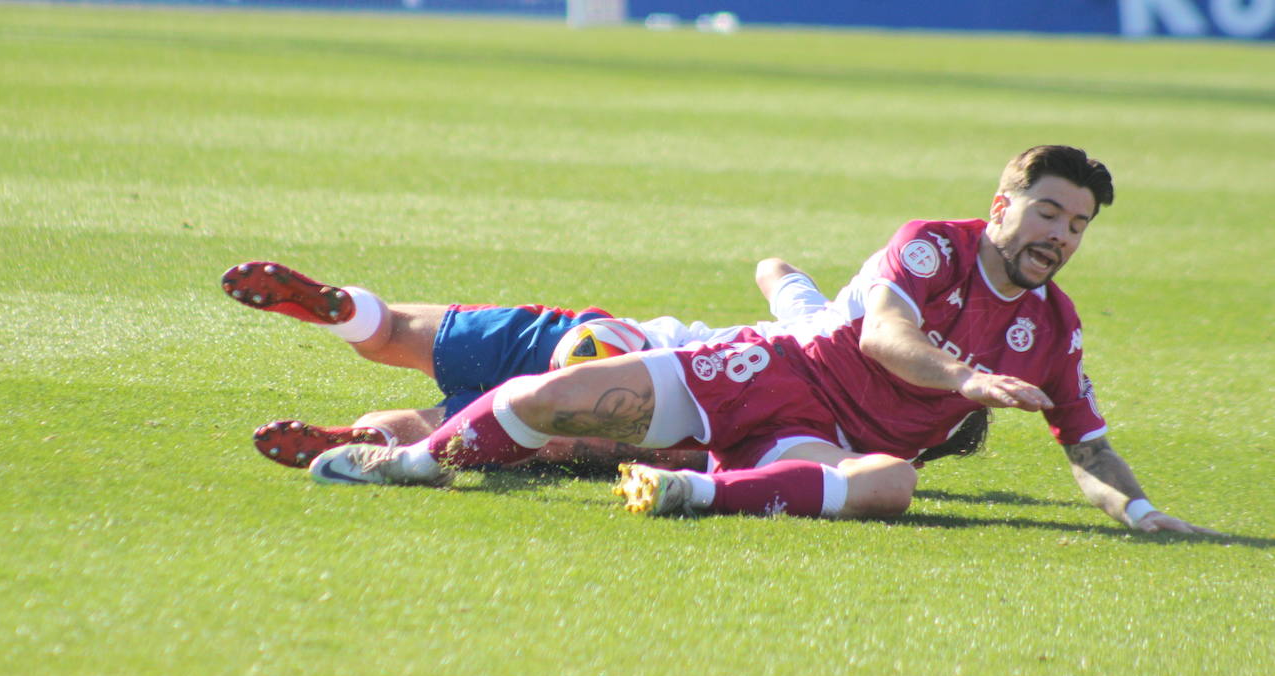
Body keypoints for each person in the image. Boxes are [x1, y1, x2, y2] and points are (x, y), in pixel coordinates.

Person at [304, 146, 1215, 535]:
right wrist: (964, 382)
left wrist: (1137, 512)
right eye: (1048, 210)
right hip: (778, 373)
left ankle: (691, 492)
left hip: (840, 443)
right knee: (557, 397)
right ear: (1003, 207)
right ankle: (423, 457)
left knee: (890, 485)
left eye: (1080, 224)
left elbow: (1086, 443)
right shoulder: (937, 245)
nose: (1061, 233)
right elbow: (888, 337)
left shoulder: (1054, 329)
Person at [223, 257, 836, 470]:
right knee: (474, 428)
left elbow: (774, 268)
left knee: (398, 332)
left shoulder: (826, 326)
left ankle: (349, 312)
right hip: (655, 398)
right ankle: (374, 440)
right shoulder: (844, 419)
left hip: (601, 341)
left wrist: (803, 292)